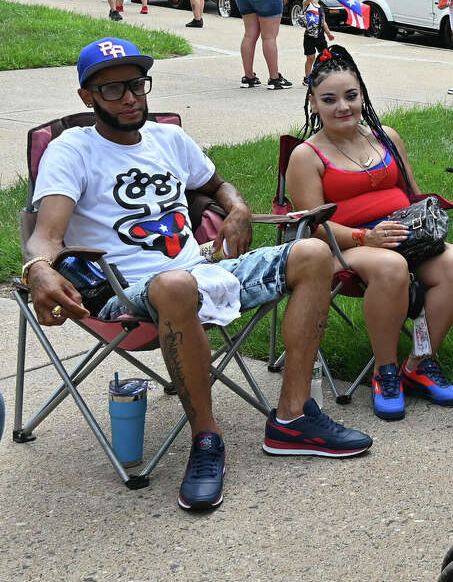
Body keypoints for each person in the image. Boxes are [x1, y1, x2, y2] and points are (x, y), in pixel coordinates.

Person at [23, 38, 373, 512]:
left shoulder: (169, 139)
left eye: (137, 85)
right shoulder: (72, 151)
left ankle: (292, 419)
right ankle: (206, 440)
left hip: (199, 270)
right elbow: (46, 234)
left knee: (311, 252)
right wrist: (37, 269)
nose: (130, 98)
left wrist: (237, 206)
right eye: (113, 90)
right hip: (124, 294)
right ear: (87, 97)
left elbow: (214, 183)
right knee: (173, 283)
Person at [286, 45, 453, 421]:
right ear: (313, 104)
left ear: (362, 96)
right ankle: (384, 371)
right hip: (344, 246)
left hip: (404, 238)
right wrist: (363, 238)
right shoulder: (306, 156)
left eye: (351, 96)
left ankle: (419, 362)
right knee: (390, 267)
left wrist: (421, 224)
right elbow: (314, 226)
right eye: (330, 99)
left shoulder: (385, 137)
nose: (343, 107)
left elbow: (413, 195)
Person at [300, 0, 336, 85]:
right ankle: (307, 78)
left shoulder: (321, 8)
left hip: (320, 36)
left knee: (325, 55)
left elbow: (323, 22)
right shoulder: (306, 4)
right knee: (310, 58)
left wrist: (329, 34)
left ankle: (324, 75)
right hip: (309, 37)